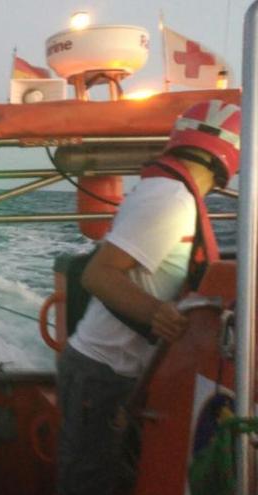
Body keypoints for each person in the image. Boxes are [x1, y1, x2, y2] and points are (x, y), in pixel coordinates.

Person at [56, 99, 241, 495]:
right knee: (89, 484)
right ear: (230, 154)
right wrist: (158, 313)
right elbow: (98, 274)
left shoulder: (168, 192)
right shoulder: (171, 199)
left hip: (109, 371)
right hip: (102, 373)